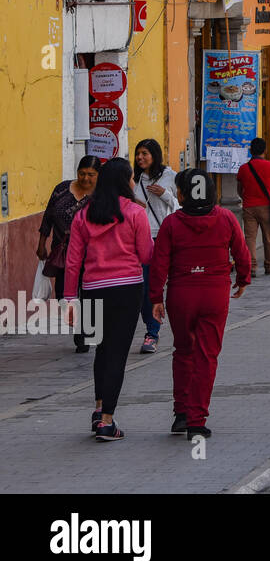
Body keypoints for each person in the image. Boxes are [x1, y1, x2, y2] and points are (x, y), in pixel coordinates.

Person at [149, 168, 251, 439]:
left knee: (183, 351)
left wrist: (155, 297)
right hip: (215, 294)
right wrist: (243, 279)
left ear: (182, 194)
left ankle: (181, 413)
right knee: (207, 356)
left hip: (181, 294)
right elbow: (242, 253)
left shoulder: (171, 224)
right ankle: (197, 418)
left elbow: (159, 264)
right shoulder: (227, 218)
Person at [62, 157, 153, 442]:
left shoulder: (83, 215)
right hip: (126, 289)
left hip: (91, 289)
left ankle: (99, 407)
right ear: (124, 181)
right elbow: (146, 256)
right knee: (117, 354)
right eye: (130, 178)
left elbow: (73, 261)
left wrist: (68, 298)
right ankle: (107, 421)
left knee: (101, 350)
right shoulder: (136, 213)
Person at [37, 156, 98, 353]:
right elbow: (48, 216)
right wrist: (41, 243)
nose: (85, 178)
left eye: (91, 174)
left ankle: (83, 333)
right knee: (63, 293)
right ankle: (79, 324)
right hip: (62, 252)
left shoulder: (101, 195)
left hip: (91, 254)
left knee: (88, 293)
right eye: (82, 173)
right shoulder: (62, 189)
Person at [132, 138, 177, 354]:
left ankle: (160, 331)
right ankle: (151, 328)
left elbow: (181, 206)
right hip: (143, 239)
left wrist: (165, 195)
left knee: (164, 287)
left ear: (154, 155)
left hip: (165, 237)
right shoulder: (135, 178)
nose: (140, 157)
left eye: (144, 154)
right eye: (138, 153)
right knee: (145, 288)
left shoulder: (170, 176)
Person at [236, 137, 270, 277]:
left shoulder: (243, 168)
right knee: (268, 238)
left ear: (251, 151)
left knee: (250, 238)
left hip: (249, 207)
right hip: (267, 206)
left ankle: (251, 268)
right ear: (265, 150)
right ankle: (269, 265)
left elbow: (240, 188)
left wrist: (245, 198)